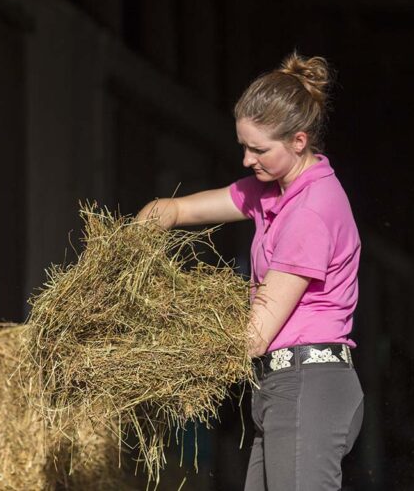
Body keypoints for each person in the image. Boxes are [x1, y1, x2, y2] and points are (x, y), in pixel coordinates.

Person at [135, 52, 363, 490]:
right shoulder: (272, 192)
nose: (246, 160)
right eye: (243, 145)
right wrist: (136, 238)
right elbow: (179, 209)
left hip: (308, 386)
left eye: (259, 149)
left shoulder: (311, 211)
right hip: (281, 388)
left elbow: (253, 334)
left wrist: (162, 349)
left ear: (299, 141)